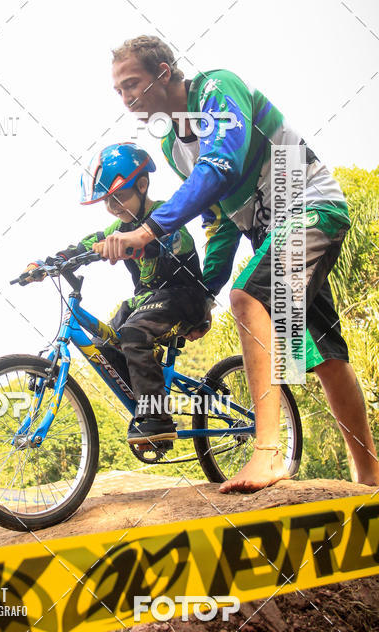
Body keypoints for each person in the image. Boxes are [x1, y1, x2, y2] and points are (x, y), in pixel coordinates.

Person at [98, 34, 379, 491]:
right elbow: (221, 223)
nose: (126, 98)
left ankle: (268, 454)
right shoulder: (173, 148)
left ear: (163, 74)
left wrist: (147, 230)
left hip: (311, 207)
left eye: (131, 84)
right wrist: (201, 297)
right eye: (118, 90)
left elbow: (221, 165)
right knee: (324, 355)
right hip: (272, 236)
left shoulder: (217, 89)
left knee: (248, 297)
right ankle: (370, 475)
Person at [24, 142, 209, 446]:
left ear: (142, 185)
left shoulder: (164, 214)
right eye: (107, 202)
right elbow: (87, 244)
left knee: (134, 332)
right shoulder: (118, 227)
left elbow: (175, 241)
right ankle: (145, 402)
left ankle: (157, 418)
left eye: (119, 197)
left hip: (185, 299)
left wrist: (133, 243)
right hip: (146, 303)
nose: (113, 207)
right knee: (104, 347)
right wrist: (47, 264)